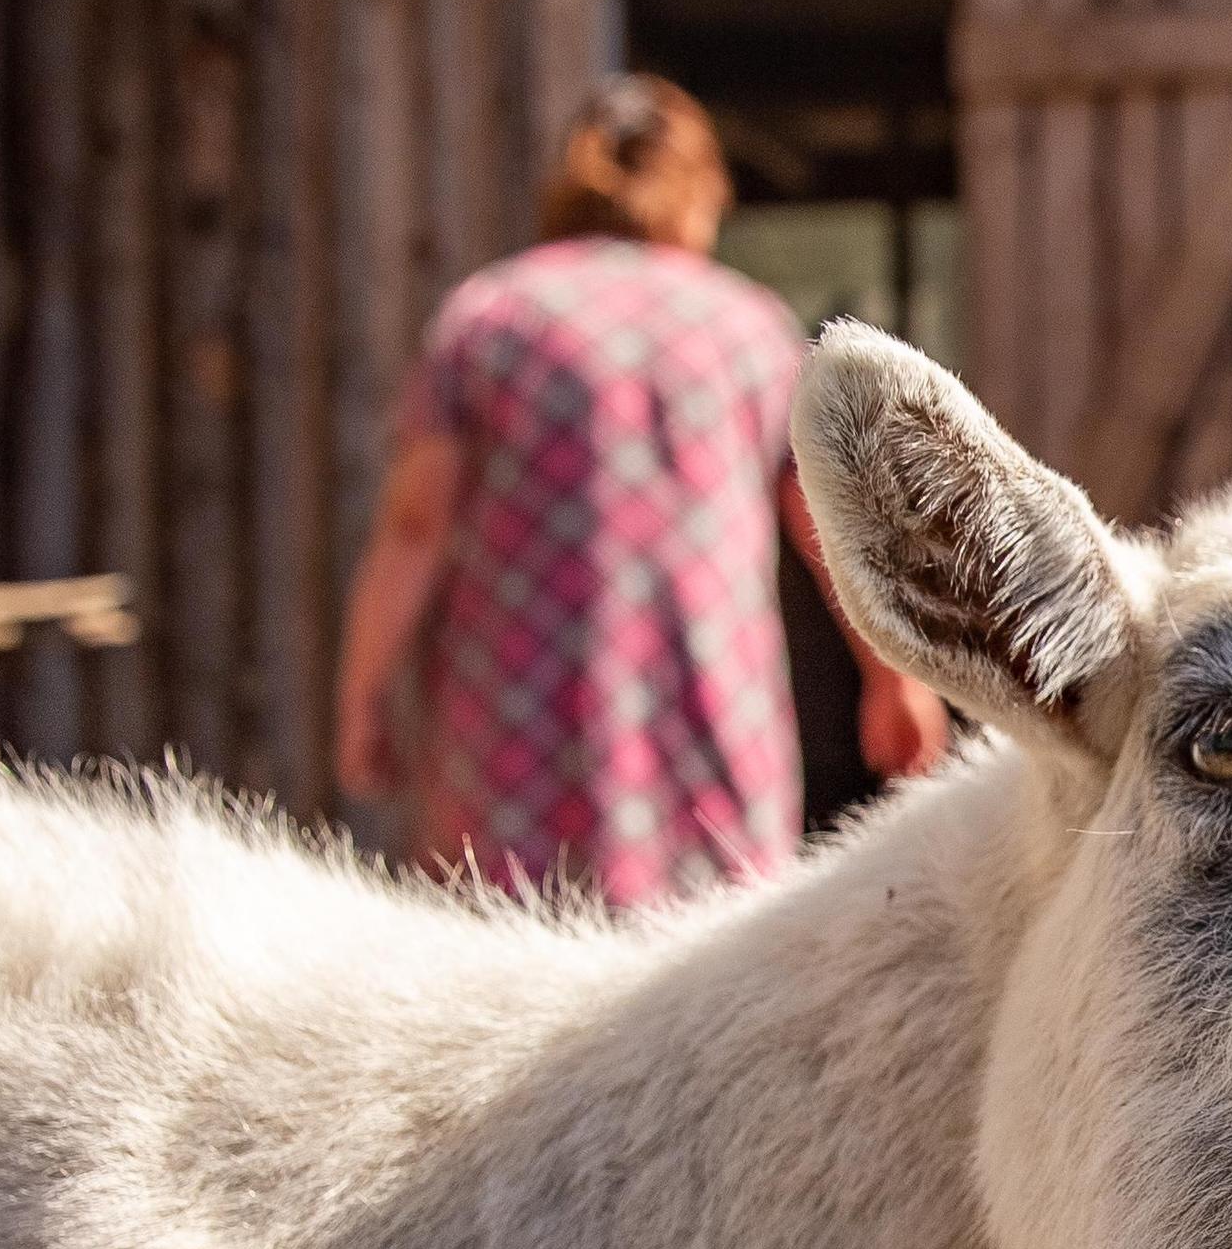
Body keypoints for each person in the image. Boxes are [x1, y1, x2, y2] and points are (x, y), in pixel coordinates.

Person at [334, 75, 948, 903]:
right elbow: (825, 524)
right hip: (700, 718)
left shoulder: (487, 318)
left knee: (506, 971)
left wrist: (364, 694)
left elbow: (415, 524)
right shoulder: (746, 326)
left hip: (513, 731)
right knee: (699, 976)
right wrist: (894, 678)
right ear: (698, 195)